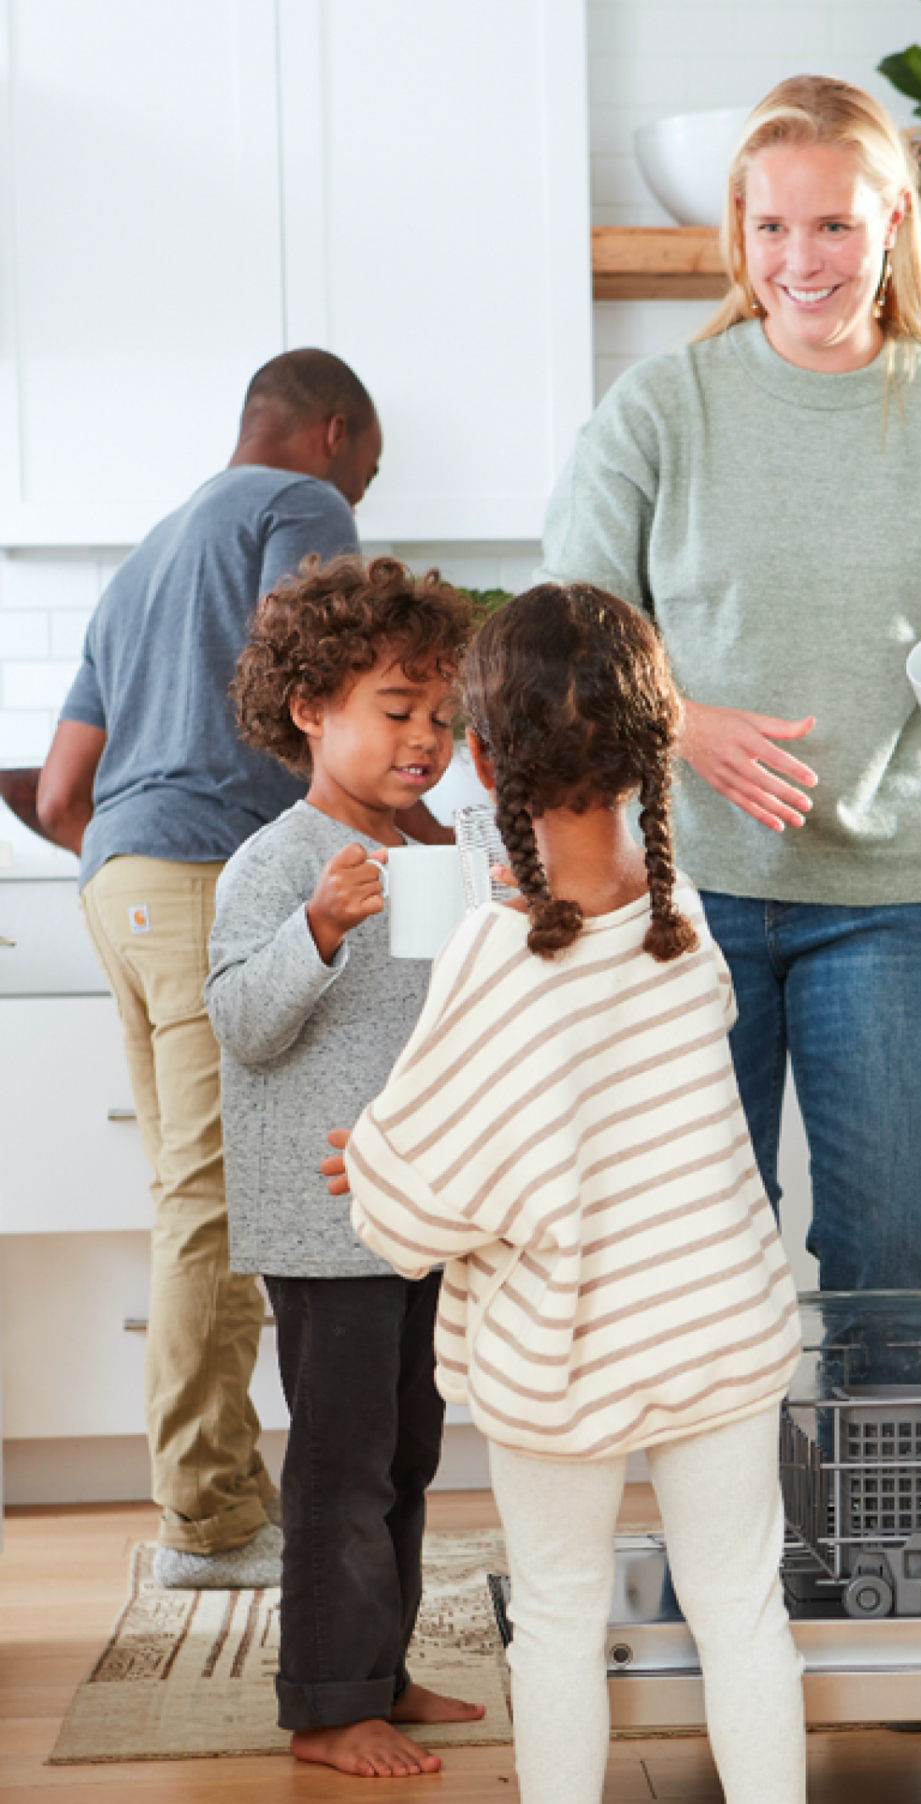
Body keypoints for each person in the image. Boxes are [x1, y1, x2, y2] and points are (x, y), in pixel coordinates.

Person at [538, 75, 921, 1295]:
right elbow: (563, 636)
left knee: (884, 1249)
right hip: (683, 893)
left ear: (892, 225)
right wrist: (680, 720)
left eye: (833, 224)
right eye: (771, 227)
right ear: (739, 232)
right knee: (703, 1257)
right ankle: (743, 1501)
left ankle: (866, 1498)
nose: (801, 258)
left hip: (891, 896)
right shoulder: (662, 408)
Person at [338, 583, 806, 1804]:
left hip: (564, 1354)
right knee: (743, 1608)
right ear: (657, 752)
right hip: (716, 1327)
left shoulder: (492, 960)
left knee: (552, 1621)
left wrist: (374, 1161)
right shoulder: (683, 922)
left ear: (483, 757)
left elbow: (414, 1202)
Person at [34, 349, 445, 1588]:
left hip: (117, 884)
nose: (360, 495)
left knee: (188, 1197)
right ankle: (209, 1526)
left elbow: (61, 792)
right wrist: (402, 832)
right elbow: (306, 678)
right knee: (225, 1204)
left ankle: (209, 1502)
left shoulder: (145, 555)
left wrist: (147, 865)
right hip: (212, 875)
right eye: (370, 469)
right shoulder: (301, 505)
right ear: (333, 434)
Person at [204, 555, 484, 1779]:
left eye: (442, 717)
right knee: (340, 1458)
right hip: (326, 1223)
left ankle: (377, 1666)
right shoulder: (277, 860)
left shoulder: (434, 847)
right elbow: (241, 1023)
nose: (425, 738)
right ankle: (326, 1703)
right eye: (395, 709)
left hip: (411, 1206)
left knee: (407, 1449)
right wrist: (316, 927)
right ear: (311, 706)